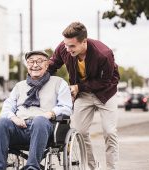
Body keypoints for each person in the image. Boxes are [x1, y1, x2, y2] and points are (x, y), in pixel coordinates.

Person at [48, 22, 120, 170]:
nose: (67, 49)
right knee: (78, 131)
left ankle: (112, 168)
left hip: (106, 93)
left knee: (109, 132)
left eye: (72, 46)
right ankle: (92, 167)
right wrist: (37, 76)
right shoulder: (64, 47)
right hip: (83, 94)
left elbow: (105, 82)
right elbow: (52, 64)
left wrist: (78, 87)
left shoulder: (104, 54)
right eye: (66, 45)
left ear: (84, 42)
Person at [0, 51, 73, 170]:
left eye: (39, 61)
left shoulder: (59, 83)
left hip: (44, 128)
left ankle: (32, 167)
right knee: (1, 122)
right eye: (31, 61)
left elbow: (66, 107)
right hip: (20, 127)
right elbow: (7, 107)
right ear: (27, 65)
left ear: (47, 65)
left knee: (40, 120)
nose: (35, 65)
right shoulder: (19, 86)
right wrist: (14, 118)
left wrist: (50, 113)